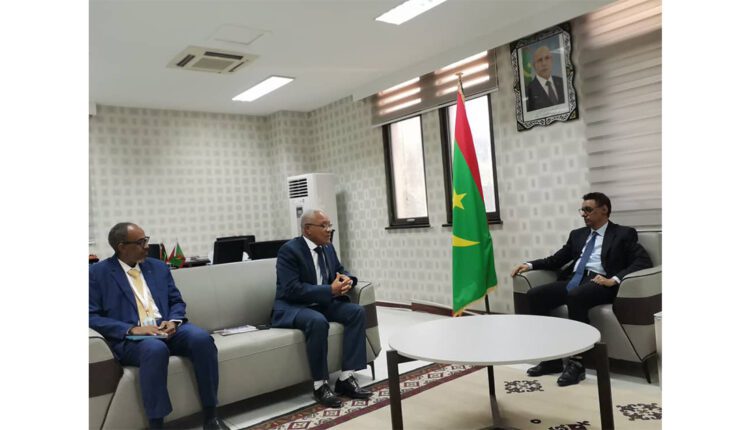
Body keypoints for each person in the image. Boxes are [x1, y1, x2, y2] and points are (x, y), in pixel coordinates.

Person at [89, 222, 229, 430]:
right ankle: (156, 425)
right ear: (121, 247)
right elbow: (90, 316)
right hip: (132, 337)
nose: (147, 246)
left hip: (166, 327)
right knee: (155, 349)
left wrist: (173, 321)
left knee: (201, 339)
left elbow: (176, 301)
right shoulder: (97, 273)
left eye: (146, 240)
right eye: (140, 242)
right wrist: (132, 329)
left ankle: (211, 417)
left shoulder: (158, 267)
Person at [510, 192, 652, 386]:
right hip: (574, 280)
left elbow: (643, 261)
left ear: (604, 210)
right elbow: (557, 260)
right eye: (582, 210)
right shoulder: (577, 235)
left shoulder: (623, 233)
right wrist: (529, 265)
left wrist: (614, 280)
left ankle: (577, 364)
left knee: (576, 297)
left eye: (588, 210)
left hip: (600, 282)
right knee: (535, 295)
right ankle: (551, 360)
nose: (583, 214)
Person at [272, 209, 372, 408]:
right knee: (317, 321)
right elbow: (292, 289)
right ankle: (320, 385)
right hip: (294, 307)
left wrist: (348, 280)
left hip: (323, 303)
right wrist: (329, 290)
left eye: (329, 225)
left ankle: (346, 378)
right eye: (324, 226)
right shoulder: (289, 251)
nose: (329, 230)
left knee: (356, 312)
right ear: (307, 229)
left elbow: (340, 271)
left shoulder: (327, 247)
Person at [525, 45, 566, 112]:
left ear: (552, 61)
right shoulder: (528, 91)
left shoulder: (562, 82)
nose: (544, 63)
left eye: (547, 58)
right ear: (534, 66)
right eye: (540, 60)